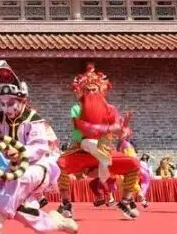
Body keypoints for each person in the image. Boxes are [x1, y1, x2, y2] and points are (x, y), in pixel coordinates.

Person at [0, 61, 78, 234]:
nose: (7, 109)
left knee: (21, 178)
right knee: (25, 212)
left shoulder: (34, 120)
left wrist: (19, 152)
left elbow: (39, 147)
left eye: (11, 103)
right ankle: (57, 222)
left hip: (38, 167)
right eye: (3, 104)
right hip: (14, 170)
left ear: (23, 101)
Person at [56, 63, 141, 220]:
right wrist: (109, 128)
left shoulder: (111, 109)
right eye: (87, 90)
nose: (90, 92)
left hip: (104, 150)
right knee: (60, 164)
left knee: (134, 164)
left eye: (94, 89)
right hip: (82, 151)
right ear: (82, 91)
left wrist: (123, 130)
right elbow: (83, 128)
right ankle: (66, 202)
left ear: (101, 90)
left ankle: (125, 201)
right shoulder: (77, 109)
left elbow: (118, 130)